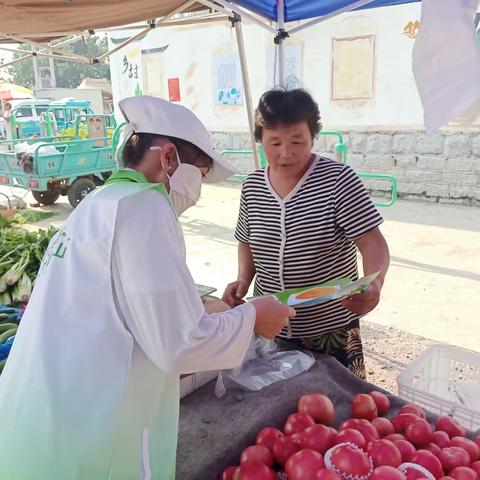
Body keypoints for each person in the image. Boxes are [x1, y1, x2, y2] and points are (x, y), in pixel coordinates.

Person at [0, 95, 294, 480]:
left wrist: (205, 308)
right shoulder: (146, 208)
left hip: (44, 417)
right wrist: (253, 316)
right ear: (168, 158)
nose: (198, 189)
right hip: (94, 432)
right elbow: (180, 344)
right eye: (200, 173)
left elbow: (118, 305)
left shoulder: (99, 201)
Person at [223, 88, 390, 380]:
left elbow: (371, 242)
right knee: (279, 409)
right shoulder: (252, 187)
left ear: (313, 137)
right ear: (260, 139)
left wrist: (374, 284)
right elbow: (246, 242)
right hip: (269, 325)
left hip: (330, 327)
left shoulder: (339, 180)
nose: (286, 153)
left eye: (297, 141)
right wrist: (242, 281)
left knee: (339, 406)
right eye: (274, 142)